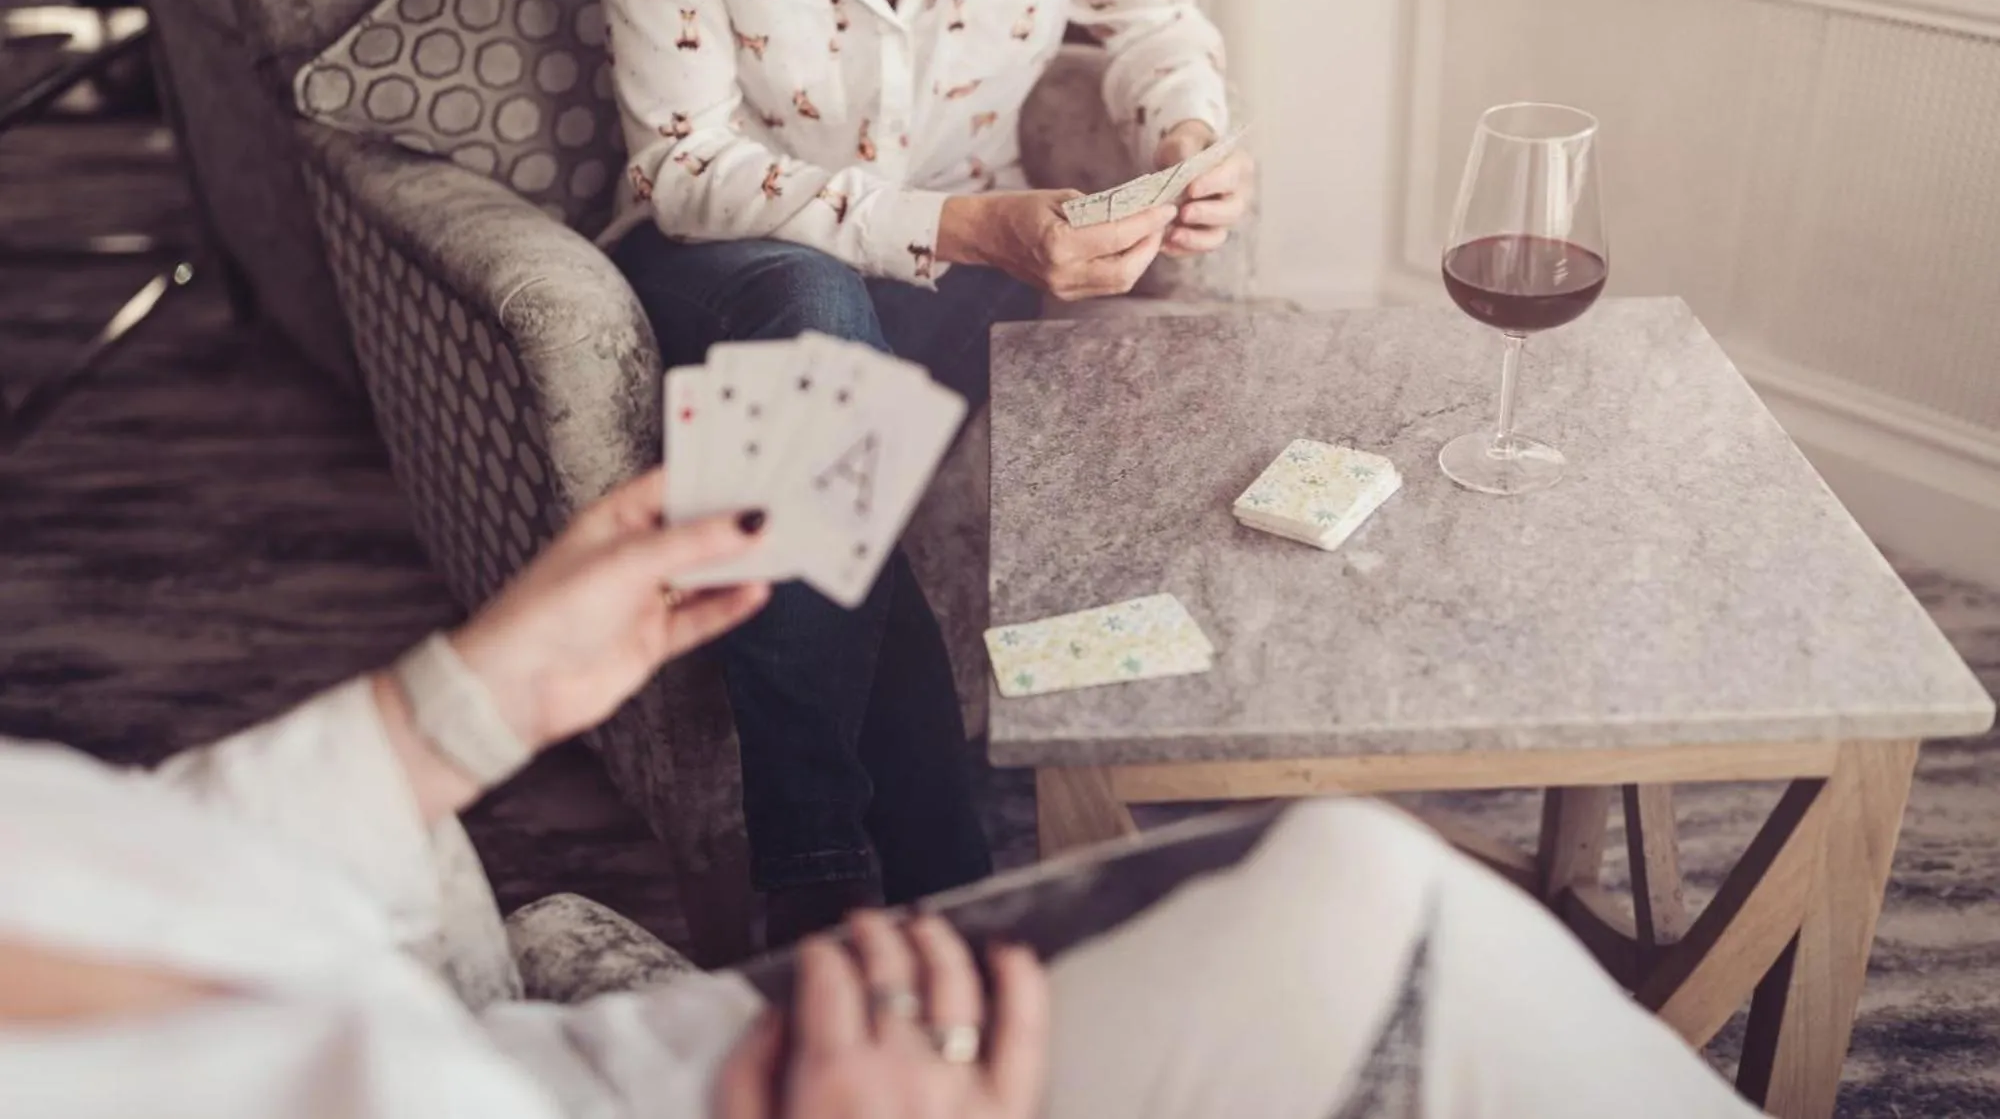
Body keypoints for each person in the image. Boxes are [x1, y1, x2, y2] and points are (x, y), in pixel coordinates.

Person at [1, 468, 1761, 1118]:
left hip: (557, 1064)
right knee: (793, 297)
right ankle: (833, 849)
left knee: (1351, 881)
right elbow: (696, 151)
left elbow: (164, 880)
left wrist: (449, 711)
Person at [584, 0, 1256, 936]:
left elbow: (1149, 21)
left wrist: (1188, 139)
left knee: (817, 452)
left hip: (963, 273)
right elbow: (683, 161)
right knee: (811, 317)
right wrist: (956, 228)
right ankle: (867, 883)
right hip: (728, 262)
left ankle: (833, 896)